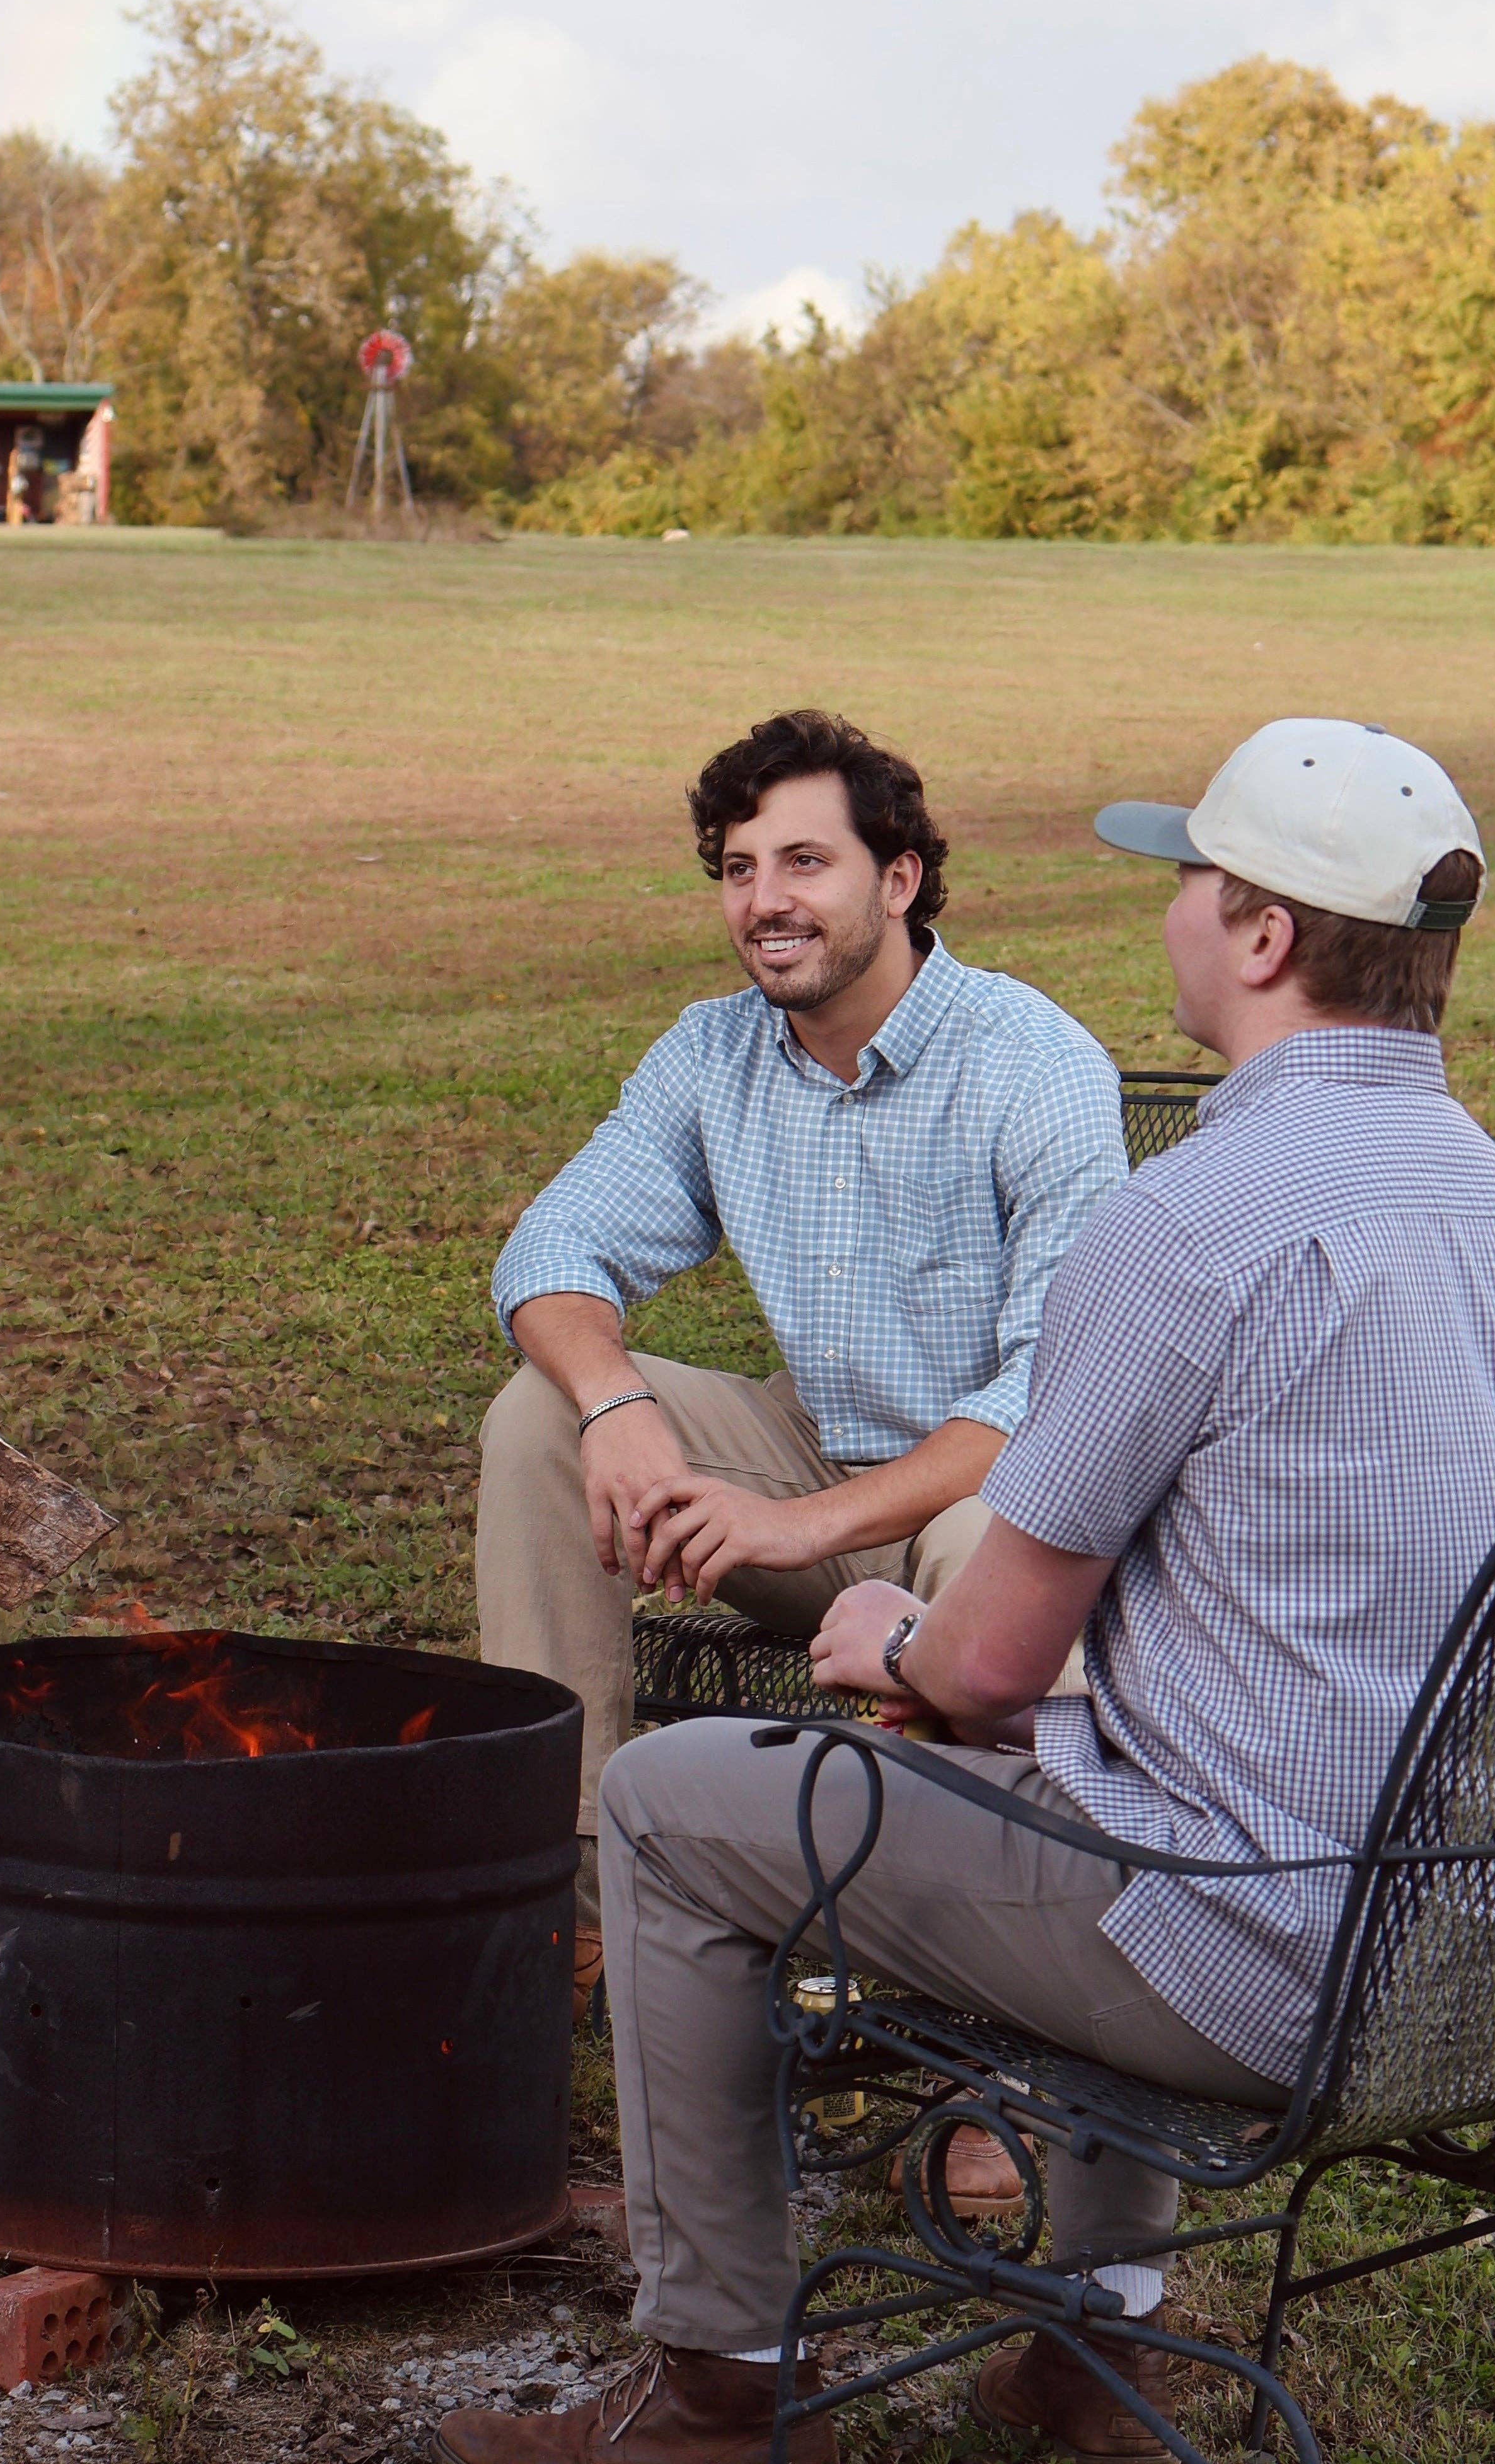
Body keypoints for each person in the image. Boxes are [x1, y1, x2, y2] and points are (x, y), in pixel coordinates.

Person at [435, 719, 1495, 2464]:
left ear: (1265, 937)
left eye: (1191, 882)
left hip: (1264, 1951)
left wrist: (886, 1631)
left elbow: (983, 1673)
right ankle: (1089, 2348)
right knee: (1111, 1767)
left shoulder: (1192, 1220)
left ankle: (712, 2396)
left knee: (680, 1804)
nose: (1176, 915)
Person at [479, 710, 1129, 2019]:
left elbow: (1053, 1396)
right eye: (736, 868)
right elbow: (550, 1246)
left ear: (895, 878)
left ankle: (993, 2013)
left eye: (801, 862)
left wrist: (787, 1519)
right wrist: (615, 1408)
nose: (763, 902)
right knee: (536, 1418)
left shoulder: (1030, 1060)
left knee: (977, 1549)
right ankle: (571, 1909)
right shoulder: (713, 1050)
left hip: (992, 1504)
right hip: (812, 1467)